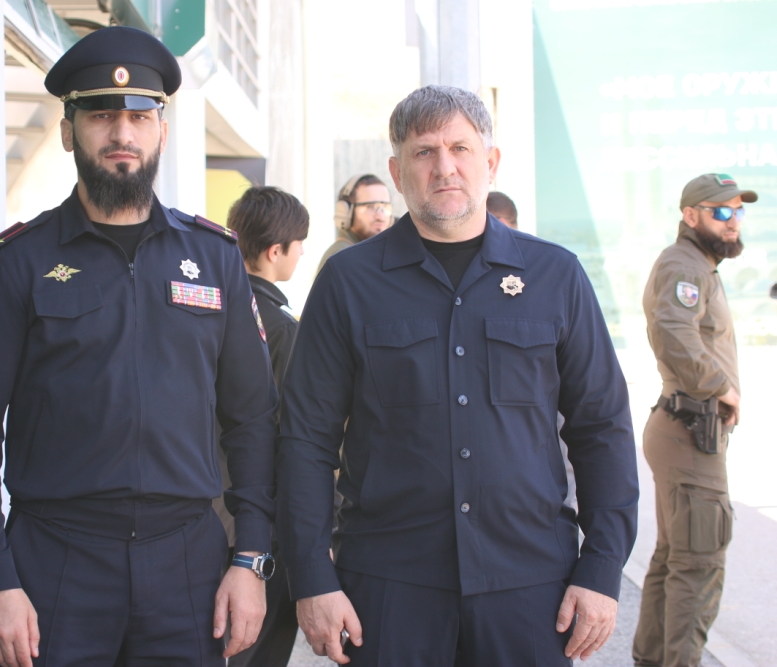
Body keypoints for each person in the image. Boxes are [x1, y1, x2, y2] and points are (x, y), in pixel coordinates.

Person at [0, 26, 279, 667]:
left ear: (162, 132)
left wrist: (252, 556)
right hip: (54, 565)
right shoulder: (15, 265)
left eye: (139, 116)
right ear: (69, 131)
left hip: (188, 567)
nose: (122, 133)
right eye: (100, 115)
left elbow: (254, 419)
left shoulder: (215, 259)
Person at [276, 85, 639, 666]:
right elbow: (305, 438)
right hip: (389, 588)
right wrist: (312, 577)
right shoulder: (348, 282)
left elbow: (602, 427)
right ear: (398, 172)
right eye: (424, 152)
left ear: (490, 161)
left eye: (460, 149)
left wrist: (601, 568)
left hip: (530, 587)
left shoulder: (556, 276)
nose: (444, 167)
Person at [633, 173, 753, 667]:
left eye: (738, 211)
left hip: (685, 429)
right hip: (690, 431)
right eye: (721, 212)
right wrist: (720, 386)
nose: (733, 220)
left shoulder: (698, 264)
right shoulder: (684, 264)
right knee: (699, 564)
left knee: (674, 560)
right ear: (690, 215)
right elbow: (671, 329)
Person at [224, 186, 310, 667]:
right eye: (300, 246)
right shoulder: (281, 327)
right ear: (276, 251)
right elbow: (295, 436)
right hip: (262, 527)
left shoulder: (208, 310)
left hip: (207, 516)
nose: (302, 255)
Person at [316, 174, 393, 274]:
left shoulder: (368, 254)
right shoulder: (343, 257)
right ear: (346, 212)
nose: (380, 216)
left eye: (385, 206)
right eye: (370, 207)